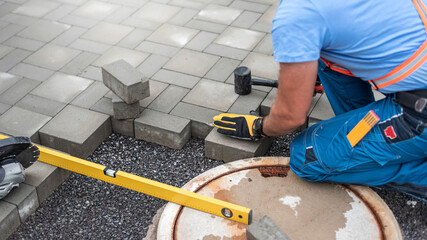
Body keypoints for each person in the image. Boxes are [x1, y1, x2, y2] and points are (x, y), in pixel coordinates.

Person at [213, 0, 426, 206]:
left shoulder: (298, 15)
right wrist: (303, 78)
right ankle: (366, 141)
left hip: (418, 114)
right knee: (325, 60)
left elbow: (291, 117)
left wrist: (258, 127)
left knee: (305, 156)